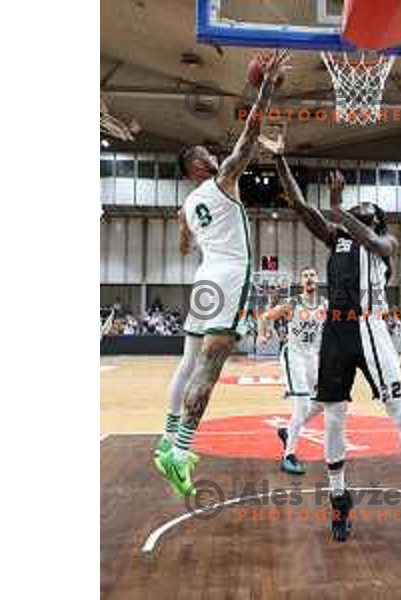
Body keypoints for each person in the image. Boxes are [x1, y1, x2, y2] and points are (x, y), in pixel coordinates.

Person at [261, 133, 401, 542]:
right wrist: (279, 159)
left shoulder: (385, 243)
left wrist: (336, 208)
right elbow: (298, 204)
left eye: (365, 207)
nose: (357, 207)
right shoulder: (338, 237)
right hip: (336, 330)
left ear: (376, 216)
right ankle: (339, 500)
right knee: (334, 419)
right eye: (353, 205)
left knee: (400, 412)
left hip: (371, 327)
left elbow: (369, 237)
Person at [153, 50, 290, 498]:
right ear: (197, 166)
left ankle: (167, 439)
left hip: (204, 279)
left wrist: (184, 226)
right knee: (209, 368)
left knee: (187, 363)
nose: (213, 153)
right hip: (227, 277)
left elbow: (184, 245)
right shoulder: (221, 180)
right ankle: (179, 453)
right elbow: (251, 134)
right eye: (205, 152)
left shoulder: (188, 205)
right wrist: (265, 85)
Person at [259, 267, 326, 475]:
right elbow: (265, 316)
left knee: (324, 400)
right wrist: (264, 333)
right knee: (302, 405)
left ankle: (289, 431)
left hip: (313, 358)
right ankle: (288, 456)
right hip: (294, 356)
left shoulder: (325, 305)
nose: (308, 278)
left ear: (317, 280)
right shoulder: (293, 303)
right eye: (305, 275)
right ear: (301, 281)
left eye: (312, 275)